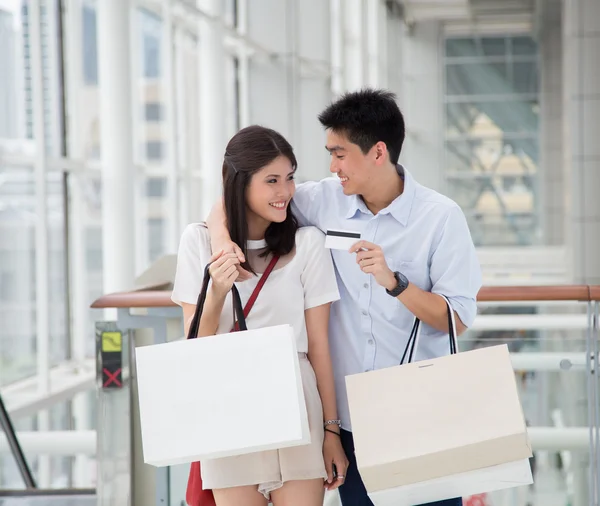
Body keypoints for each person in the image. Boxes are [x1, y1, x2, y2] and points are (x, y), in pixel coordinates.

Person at [206, 89, 483, 506]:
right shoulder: (325, 200)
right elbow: (242, 196)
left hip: (421, 413)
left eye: (339, 153)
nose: (331, 166)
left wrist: (396, 283)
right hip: (354, 422)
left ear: (377, 152)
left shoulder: (440, 217)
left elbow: (456, 319)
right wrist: (221, 241)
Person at [171, 125, 349, 506]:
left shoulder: (307, 244)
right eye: (271, 180)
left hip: (298, 403)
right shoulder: (198, 242)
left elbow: (319, 346)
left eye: (289, 178)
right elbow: (193, 346)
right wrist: (216, 291)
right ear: (238, 182)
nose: (284, 192)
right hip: (227, 407)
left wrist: (331, 431)